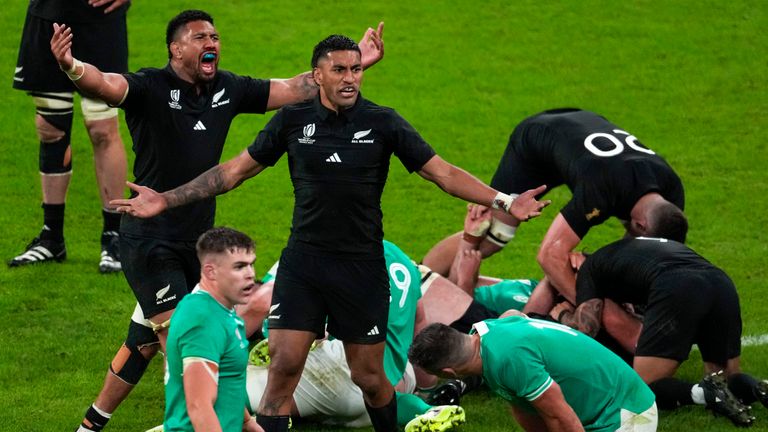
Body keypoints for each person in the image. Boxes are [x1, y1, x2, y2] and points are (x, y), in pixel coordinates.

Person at [111, 34, 549, 432]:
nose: (350, 78)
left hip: (360, 267)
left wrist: (505, 202)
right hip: (304, 263)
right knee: (282, 369)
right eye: (339, 70)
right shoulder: (291, 121)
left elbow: (442, 173)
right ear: (316, 75)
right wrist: (166, 199)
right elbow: (233, 172)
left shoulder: (383, 123)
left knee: (370, 379)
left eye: (355, 69)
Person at [50, 10, 385, 432]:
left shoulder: (227, 87)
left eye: (215, 35)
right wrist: (71, 66)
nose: (212, 41)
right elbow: (104, 83)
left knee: (142, 342)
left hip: (198, 243)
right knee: (186, 345)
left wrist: (352, 68)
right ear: (176, 49)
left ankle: (89, 425)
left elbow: (295, 87)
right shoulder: (150, 86)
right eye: (199, 36)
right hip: (149, 241)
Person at [423, 108, 688, 304]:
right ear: (639, 224)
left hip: (579, 130)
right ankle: (420, 279)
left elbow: (642, 256)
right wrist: (590, 306)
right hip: (537, 142)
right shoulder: (603, 190)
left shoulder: (670, 197)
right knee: (494, 234)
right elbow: (549, 255)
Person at [241, 240, 466, 432]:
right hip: (391, 380)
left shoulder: (316, 250)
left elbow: (264, 301)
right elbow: (419, 324)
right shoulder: (403, 260)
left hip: (342, 365)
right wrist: (426, 386)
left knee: (231, 384)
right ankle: (424, 409)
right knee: (386, 396)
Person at [555, 236, 766, 426]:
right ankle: (759, 388)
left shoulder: (589, 269)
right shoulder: (624, 253)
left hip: (678, 285)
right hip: (720, 282)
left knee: (643, 387)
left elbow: (586, 328)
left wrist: (563, 314)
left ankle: (703, 393)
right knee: (725, 378)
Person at [10, 0, 130, 272]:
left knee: (102, 128)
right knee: (49, 127)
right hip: (46, 16)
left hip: (100, 22)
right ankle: (51, 237)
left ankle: (114, 237)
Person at [409, 317, 658, 432]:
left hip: (626, 415)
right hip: (611, 405)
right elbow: (514, 315)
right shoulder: (485, 333)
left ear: (447, 372)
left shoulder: (510, 360)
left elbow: (559, 417)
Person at [164, 226, 261, 431]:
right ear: (210, 271)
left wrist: (248, 423)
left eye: (252, 265)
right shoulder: (202, 319)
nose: (250, 274)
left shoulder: (222, 311)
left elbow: (226, 379)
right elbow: (199, 406)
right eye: (239, 267)